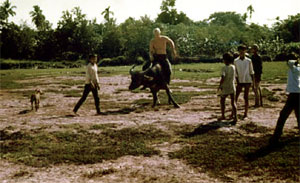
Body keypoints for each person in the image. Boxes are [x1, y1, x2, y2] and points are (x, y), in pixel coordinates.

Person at [269, 53, 300, 144]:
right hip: (296, 93)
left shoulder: (294, 67)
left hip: (294, 95)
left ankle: (276, 136)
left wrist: (295, 59)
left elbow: (290, 62)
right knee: (298, 114)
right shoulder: (297, 68)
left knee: (283, 115)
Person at [234, 45, 255, 119]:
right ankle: (233, 113)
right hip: (240, 80)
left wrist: (253, 83)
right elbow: (235, 72)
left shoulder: (248, 61)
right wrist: (237, 81)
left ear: (245, 51)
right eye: (240, 51)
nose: (242, 52)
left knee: (246, 97)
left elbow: (251, 71)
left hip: (247, 80)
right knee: (235, 97)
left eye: (243, 50)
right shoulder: (236, 61)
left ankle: (246, 113)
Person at [217, 52, 238, 123]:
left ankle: (223, 115)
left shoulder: (224, 68)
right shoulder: (233, 67)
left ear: (225, 60)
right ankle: (235, 117)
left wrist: (220, 85)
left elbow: (223, 77)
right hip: (232, 85)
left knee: (222, 101)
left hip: (225, 86)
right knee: (233, 102)